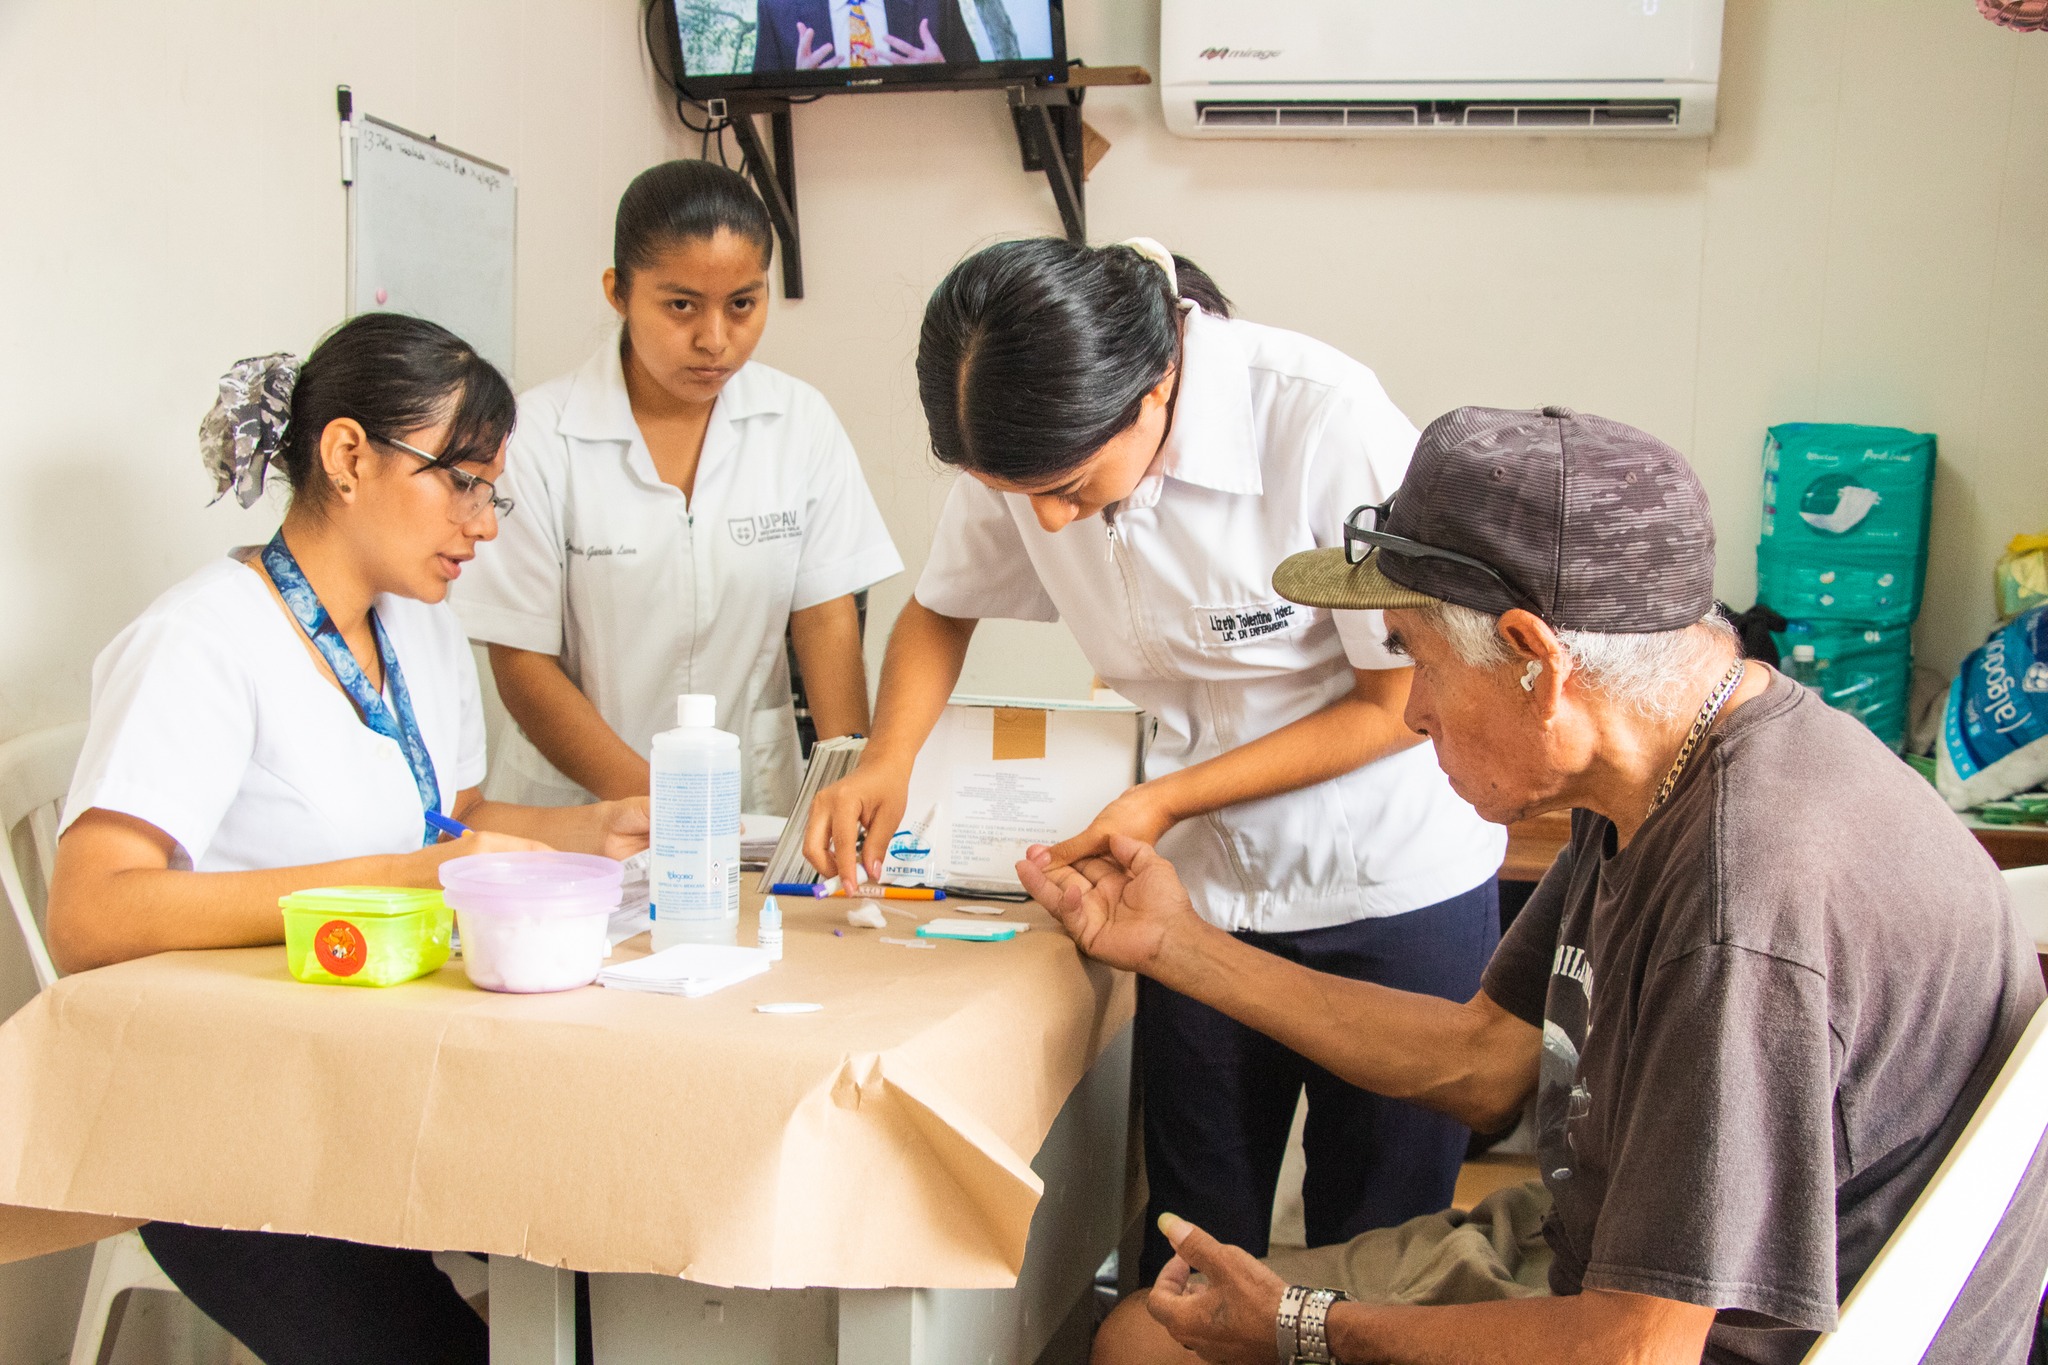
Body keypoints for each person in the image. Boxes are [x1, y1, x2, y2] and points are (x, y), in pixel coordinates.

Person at [1024, 406, 2048, 1365]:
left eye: (1416, 658)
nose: (1412, 710)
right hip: (1597, 1261)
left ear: (1533, 659)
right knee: (1148, 1334)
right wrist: (1172, 944)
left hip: (1689, 1338)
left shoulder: (1746, 900)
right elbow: (1481, 1061)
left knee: (1152, 1346)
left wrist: (1302, 1328)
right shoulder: (1676, 758)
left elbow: (1635, 1347)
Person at [805, 237, 1507, 1280]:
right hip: (1198, 898)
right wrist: (884, 757)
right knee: (1191, 1243)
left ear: (1153, 391)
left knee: (1378, 1252)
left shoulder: (1319, 419)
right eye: (1016, 495)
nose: (1045, 520)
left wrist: (1161, 798)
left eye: (1069, 489)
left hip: (1385, 878)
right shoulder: (1024, 431)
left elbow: (1398, 695)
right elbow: (938, 610)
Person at [46, 313, 651, 1365]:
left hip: (383, 1082)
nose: (484, 523)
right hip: (227, 1125)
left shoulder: (418, 621)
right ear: (347, 456)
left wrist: (593, 831)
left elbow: (445, 821)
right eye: (458, 481)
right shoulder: (202, 641)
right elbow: (90, 913)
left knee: (621, 1256)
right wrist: (404, 876)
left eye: (489, 490)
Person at [453, 160, 901, 814]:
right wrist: (670, 803)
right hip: (578, 812)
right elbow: (522, 664)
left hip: (752, 803)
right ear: (618, 291)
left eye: (742, 304)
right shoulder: (540, 437)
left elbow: (827, 620)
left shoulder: (797, 422)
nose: (714, 340)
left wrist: (849, 794)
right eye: (681, 305)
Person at [751, 0, 976, 71]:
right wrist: (795, 87)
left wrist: (944, 73)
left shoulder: (935, 3)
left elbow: (977, 84)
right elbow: (759, 102)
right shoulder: (776, 7)